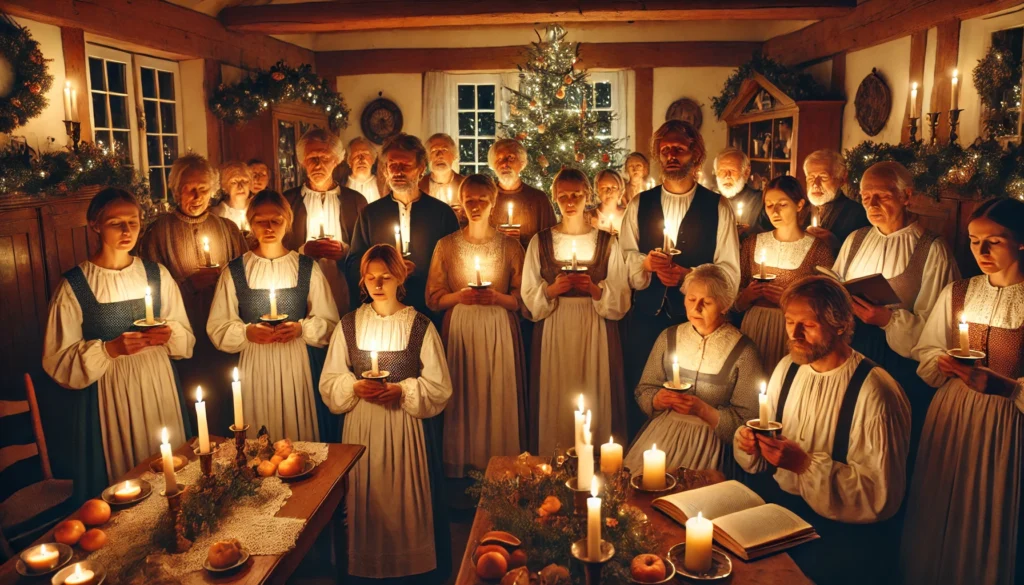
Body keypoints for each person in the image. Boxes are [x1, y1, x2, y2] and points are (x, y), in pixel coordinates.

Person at [734, 276, 910, 585]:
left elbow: (880, 497)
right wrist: (753, 445)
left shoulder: (876, 392)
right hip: (781, 516)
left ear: (841, 324)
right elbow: (767, 456)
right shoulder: (787, 368)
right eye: (789, 322)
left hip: (841, 539)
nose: (795, 334)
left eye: (809, 325)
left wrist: (804, 465)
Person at [43, 188, 195, 503]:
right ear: (95, 225)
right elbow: (57, 360)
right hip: (108, 397)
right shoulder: (75, 286)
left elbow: (185, 337)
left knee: (169, 473)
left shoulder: (156, 275)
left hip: (157, 385)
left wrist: (169, 335)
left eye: (133, 222)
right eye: (116, 223)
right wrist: (109, 350)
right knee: (124, 483)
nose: (127, 231)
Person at [901, 198, 1024, 585]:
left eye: (994, 242)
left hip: (1006, 423)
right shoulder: (958, 291)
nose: (981, 252)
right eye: (973, 241)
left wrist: (1005, 387)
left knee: (988, 509)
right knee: (941, 505)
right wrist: (940, 361)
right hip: (952, 413)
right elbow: (927, 346)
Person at [320, 244, 453, 584]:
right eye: (371, 277)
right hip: (361, 429)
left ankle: (410, 571)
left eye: (386, 277)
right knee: (365, 500)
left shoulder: (420, 325)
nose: (378, 284)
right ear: (362, 282)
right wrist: (353, 387)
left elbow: (439, 387)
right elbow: (330, 380)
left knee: (403, 504)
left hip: (404, 430)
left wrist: (403, 390)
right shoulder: (348, 325)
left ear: (400, 279)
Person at [831, 161, 958, 469]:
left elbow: (939, 326)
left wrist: (888, 320)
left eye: (882, 196)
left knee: (885, 446)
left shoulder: (932, 249)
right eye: (865, 197)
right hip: (851, 349)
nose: (871, 204)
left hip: (897, 362)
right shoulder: (855, 239)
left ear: (906, 196)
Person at [620, 120, 741, 440]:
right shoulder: (639, 205)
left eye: (679, 149)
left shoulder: (717, 207)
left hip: (697, 326)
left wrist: (689, 276)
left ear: (696, 154)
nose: (671, 155)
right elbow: (622, 258)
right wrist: (645, 263)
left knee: (690, 402)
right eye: (665, 150)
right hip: (646, 320)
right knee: (644, 395)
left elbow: (729, 271)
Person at [208, 191, 340, 442]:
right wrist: (247, 332)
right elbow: (218, 326)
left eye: (276, 220)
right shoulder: (235, 271)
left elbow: (330, 322)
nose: (268, 227)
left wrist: (302, 329)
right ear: (250, 223)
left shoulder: (306, 267)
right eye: (260, 221)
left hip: (297, 363)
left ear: (287, 222)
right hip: (255, 363)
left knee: (297, 430)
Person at [522, 168, 631, 455]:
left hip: (595, 329)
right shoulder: (540, 242)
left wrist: (595, 290)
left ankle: (595, 465)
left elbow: (621, 295)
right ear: (554, 198)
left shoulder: (607, 242)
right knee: (556, 395)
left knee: (595, 394)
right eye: (563, 196)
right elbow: (528, 295)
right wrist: (551, 291)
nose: (570, 202)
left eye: (576, 195)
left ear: (588, 196)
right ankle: (555, 461)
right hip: (554, 329)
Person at [426, 174, 527, 477]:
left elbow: (522, 300)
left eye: (482, 199)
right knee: (464, 396)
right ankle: (463, 474)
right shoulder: (446, 246)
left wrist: (496, 296)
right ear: (461, 202)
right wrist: (460, 296)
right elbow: (433, 299)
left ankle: (502, 472)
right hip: (461, 331)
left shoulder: (510, 246)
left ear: (493, 202)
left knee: (498, 396)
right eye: (469, 199)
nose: (475, 205)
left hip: (499, 330)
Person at [138, 153, 248, 433]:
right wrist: (188, 285)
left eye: (203, 188)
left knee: (232, 404)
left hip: (226, 338)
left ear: (213, 190)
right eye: (190, 189)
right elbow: (148, 290)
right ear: (176, 190)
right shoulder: (158, 233)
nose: (197, 195)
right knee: (197, 408)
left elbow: (246, 279)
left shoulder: (228, 229)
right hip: (186, 341)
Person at [625, 264, 762, 475]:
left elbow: (748, 422)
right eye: (691, 299)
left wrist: (703, 410)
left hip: (711, 446)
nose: (696, 309)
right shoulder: (668, 337)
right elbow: (644, 389)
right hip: (662, 436)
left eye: (706, 302)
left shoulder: (744, 351)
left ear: (725, 306)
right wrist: (657, 399)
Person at [346, 133, 461, 329]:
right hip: (382, 314)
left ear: (421, 169)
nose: (398, 171)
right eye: (393, 165)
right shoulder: (370, 214)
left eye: (405, 165)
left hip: (429, 311)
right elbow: (354, 263)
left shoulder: (441, 213)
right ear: (385, 169)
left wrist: (421, 271)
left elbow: (455, 265)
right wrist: (385, 270)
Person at [734, 176, 834, 372]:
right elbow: (734, 297)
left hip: (792, 331)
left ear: (799, 205)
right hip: (754, 325)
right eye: (769, 205)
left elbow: (826, 302)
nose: (774, 211)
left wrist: (789, 301)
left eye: (782, 204)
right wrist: (746, 297)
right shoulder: (752, 243)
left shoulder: (817, 249)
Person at [283, 128, 367, 317]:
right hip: (301, 291)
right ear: (302, 161)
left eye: (325, 157)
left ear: (337, 160)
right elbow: (277, 248)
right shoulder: (288, 202)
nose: (318, 164)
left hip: (342, 288)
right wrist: (303, 252)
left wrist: (344, 250)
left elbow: (367, 249)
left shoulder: (356, 201)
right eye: (312, 158)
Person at [489, 139, 557, 250]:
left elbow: (550, 241)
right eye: (499, 159)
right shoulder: (485, 198)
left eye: (510, 157)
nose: (504, 164)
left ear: (522, 163)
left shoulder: (538, 199)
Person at [803, 149, 869, 253]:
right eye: (811, 178)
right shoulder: (799, 210)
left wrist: (835, 244)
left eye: (823, 177)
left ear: (842, 180)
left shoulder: (858, 214)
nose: (815, 184)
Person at [713, 147, 771, 240]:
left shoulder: (760, 201)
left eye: (732, 171)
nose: (727, 176)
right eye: (722, 171)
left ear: (746, 172)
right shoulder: (709, 200)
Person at [419, 133, 466, 208]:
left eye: (444, 150)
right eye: (434, 150)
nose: (439, 155)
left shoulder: (465, 185)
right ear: (427, 157)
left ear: (454, 155)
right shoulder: (418, 187)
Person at [212, 161, 252, 231]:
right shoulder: (217, 214)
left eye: (245, 181)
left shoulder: (258, 208)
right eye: (234, 182)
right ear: (225, 186)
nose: (240, 186)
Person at [343, 136, 383, 204]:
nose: (361, 159)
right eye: (356, 154)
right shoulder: (341, 185)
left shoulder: (382, 186)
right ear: (349, 161)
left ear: (373, 159)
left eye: (365, 154)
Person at [591, 169, 625, 234]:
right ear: (597, 191)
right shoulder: (589, 216)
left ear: (620, 190)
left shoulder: (627, 215)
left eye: (614, 187)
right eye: (604, 188)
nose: (609, 192)